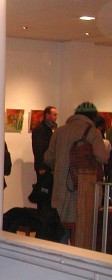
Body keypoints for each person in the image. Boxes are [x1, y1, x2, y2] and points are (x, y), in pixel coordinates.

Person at [45, 102, 109, 243]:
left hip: (61, 190)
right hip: (83, 190)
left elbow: (48, 158)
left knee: (60, 230)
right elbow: (102, 157)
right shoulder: (93, 132)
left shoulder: (60, 131)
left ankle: (59, 254)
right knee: (81, 234)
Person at [31, 106, 58, 208]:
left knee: (50, 193)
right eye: (54, 114)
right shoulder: (39, 130)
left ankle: (48, 214)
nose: (56, 117)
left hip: (52, 166)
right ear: (47, 115)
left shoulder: (54, 129)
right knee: (43, 192)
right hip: (44, 166)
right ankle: (42, 213)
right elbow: (38, 149)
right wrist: (41, 167)